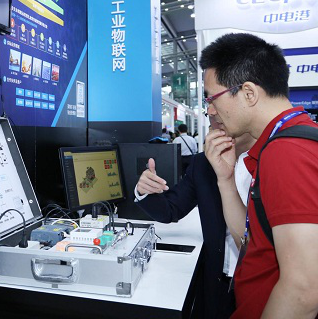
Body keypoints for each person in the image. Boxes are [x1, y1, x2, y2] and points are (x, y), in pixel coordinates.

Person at [200, 33, 318, 318]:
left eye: (212, 98)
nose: (210, 110)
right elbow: (251, 243)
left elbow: (304, 290)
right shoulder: (278, 145)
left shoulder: (287, 152)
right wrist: (226, 180)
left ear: (249, 93)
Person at [135, 117, 255, 319]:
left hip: (259, 283)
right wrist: (144, 191)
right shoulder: (203, 163)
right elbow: (171, 209)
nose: (212, 113)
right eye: (209, 113)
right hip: (217, 280)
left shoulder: (272, 160)